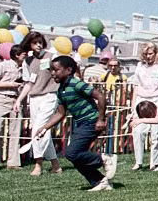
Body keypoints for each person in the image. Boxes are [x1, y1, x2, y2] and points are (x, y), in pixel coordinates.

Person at [35, 56, 117, 191]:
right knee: (75, 156)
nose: (52, 73)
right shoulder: (61, 91)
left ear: (68, 70)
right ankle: (100, 182)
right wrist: (45, 128)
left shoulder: (76, 83)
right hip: (81, 124)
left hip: (91, 121)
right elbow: (60, 114)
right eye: (51, 70)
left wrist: (101, 119)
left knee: (71, 153)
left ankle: (105, 159)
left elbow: (101, 96)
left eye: (56, 70)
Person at [15, 31, 63, 176]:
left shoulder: (51, 56)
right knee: (43, 131)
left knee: (39, 129)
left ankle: (38, 164)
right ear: (29, 44)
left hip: (50, 96)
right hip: (34, 98)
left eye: (40, 42)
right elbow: (28, 83)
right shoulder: (27, 62)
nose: (38, 45)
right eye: (35, 42)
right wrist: (18, 100)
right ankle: (55, 165)